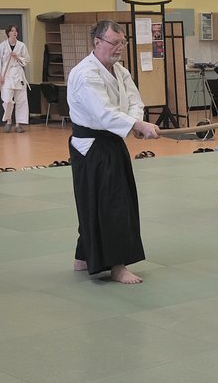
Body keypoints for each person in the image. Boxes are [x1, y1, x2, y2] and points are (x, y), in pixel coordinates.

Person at [67, 20, 160, 284]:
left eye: (123, 43)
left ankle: (83, 256)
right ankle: (117, 266)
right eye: (114, 43)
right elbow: (103, 113)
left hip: (112, 142)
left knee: (101, 201)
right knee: (112, 205)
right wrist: (136, 125)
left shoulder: (120, 71)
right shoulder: (85, 74)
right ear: (97, 42)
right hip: (92, 146)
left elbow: (134, 100)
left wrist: (136, 123)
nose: (119, 48)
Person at [0, 25, 30, 133]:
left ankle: (19, 124)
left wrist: (17, 57)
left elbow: (27, 60)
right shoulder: (2, 46)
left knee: (21, 100)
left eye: (16, 31)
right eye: (12, 31)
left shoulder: (21, 46)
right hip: (6, 75)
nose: (14, 33)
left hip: (18, 74)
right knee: (7, 100)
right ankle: (9, 121)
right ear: (8, 33)